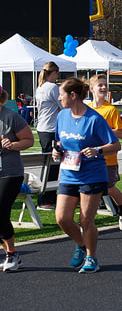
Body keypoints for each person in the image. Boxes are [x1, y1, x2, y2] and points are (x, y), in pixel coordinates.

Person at [52, 78, 122, 273]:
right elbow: (58, 142)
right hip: (68, 173)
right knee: (62, 218)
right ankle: (81, 245)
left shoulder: (94, 119)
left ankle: (92, 257)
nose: (59, 98)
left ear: (72, 95)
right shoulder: (62, 116)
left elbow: (116, 145)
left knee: (85, 220)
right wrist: (56, 151)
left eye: (61, 94)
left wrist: (98, 150)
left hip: (92, 174)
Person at [88, 74, 122, 230]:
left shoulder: (110, 109)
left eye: (105, 85)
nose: (104, 88)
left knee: (109, 188)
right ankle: (86, 222)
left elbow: (120, 133)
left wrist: (103, 132)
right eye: (100, 85)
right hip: (91, 158)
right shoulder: (88, 109)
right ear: (91, 88)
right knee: (87, 190)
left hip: (108, 158)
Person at [1, 84, 35, 271]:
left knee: (1, 212)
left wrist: (12, 145)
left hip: (10, 172)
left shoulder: (10, 117)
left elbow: (29, 141)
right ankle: (9, 253)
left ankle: (12, 254)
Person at [34, 61, 61, 209]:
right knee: (52, 166)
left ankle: (48, 198)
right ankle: (46, 200)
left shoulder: (41, 87)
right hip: (51, 129)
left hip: (43, 128)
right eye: (57, 73)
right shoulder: (52, 87)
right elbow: (63, 105)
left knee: (48, 165)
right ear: (54, 73)